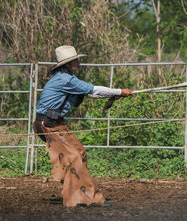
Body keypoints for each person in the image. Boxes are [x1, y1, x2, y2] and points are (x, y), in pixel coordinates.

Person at [33, 45, 133, 207]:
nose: (78, 63)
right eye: (75, 61)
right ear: (67, 65)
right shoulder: (65, 79)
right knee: (75, 158)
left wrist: (115, 94)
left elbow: (91, 93)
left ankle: (77, 190)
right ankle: (83, 196)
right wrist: (119, 91)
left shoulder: (68, 79)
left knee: (80, 153)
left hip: (55, 124)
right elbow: (94, 89)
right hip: (47, 125)